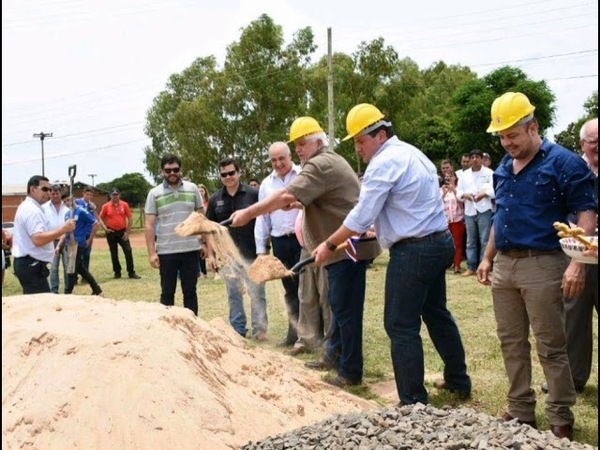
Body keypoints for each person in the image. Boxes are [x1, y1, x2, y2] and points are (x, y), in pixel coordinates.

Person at [309, 104, 471, 403]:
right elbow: (394, 207)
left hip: (414, 250)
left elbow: (361, 214)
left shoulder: (383, 163)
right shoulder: (412, 153)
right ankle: (458, 379)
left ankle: (412, 401)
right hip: (439, 241)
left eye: (361, 141)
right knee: (436, 313)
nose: (358, 149)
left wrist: (330, 244)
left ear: (380, 135)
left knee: (399, 324)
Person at [476, 92, 597, 441]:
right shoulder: (502, 166)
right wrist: (487, 257)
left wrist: (578, 262)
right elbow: (501, 216)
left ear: (533, 127)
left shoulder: (565, 162)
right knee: (510, 341)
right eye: (501, 136)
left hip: (545, 263)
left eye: (512, 134)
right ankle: (520, 409)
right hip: (505, 266)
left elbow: (586, 215)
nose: (507, 142)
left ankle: (560, 415)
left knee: (550, 344)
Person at [230, 116, 382, 388]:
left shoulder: (321, 164)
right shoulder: (326, 161)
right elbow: (325, 200)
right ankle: (334, 355)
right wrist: (301, 206)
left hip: (345, 249)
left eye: (301, 144)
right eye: (296, 145)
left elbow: (285, 195)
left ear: (319, 142)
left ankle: (350, 371)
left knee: (345, 310)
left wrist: (248, 213)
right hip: (341, 248)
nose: (298, 150)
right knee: (338, 304)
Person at [206, 158, 268, 339]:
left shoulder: (253, 194)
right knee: (234, 294)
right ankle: (238, 329)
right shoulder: (215, 199)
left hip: (252, 254)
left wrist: (265, 249)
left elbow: (265, 221)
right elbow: (210, 229)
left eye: (231, 173)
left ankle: (260, 330)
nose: (228, 177)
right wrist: (211, 255)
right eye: (224, 174)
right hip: (228, 257)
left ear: (239, 172)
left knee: (257, 294)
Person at [145, 154, 211, 316]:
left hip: (190, 249)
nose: (172, 173)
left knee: (190, 292)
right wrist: (152, 253)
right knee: (167, 293)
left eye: (175, 169)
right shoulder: (154, 194)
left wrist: (204, 243)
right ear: (162, 171)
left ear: (180, 169)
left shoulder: (192, 189)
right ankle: (170, 332)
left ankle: (193, 327)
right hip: (166, 252)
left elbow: (201, 218)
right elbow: (149, 225)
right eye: (168, 170)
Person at [562, 118, 598, 394]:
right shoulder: (572, 169)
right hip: (577, 256)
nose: (598, 148)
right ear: (582, 144)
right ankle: (574, 379)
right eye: (593, 143)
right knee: (573, 318)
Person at [255, 142, 302, 346]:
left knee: (307, 288)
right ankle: (293, 333)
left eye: (281, 158)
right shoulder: (266, 184)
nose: (278, 163)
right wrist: (261, 250)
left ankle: (310, 334)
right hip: (280, 242)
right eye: (273, 160)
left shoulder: (303, 175)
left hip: (302, 240)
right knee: (290, 289)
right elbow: (262, 217)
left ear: (290, 156)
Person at [12, 175, 76, 294]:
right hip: (31, 265)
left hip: (31, 264)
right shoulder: (32, 210)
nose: (48, 193)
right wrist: (63, 228)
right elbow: (38, 239)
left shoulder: (30, 207)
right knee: (39, 304)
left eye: (50, 189)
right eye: (45, 189)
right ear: (32, 189)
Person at [289, 208, 331, 356]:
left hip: (324, 247)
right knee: (306, 296)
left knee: (326, 296)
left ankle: (330, 343)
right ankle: (307, 340)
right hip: (306, 249)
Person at [456, 149, 495, 277]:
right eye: (472, 157)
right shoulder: (464, 175)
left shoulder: (489, 173)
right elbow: (458, 193)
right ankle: (471, 266)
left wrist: (484, 194)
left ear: (481, 158)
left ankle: (484, 266)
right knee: (470, 240)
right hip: (469, 210)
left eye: (477, 157)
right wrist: (464, 195)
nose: (474, 159)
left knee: (484, 239)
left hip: (484, 209)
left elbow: (495, 190)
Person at [59, 199, 103, 296]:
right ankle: (96, 288)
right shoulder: (67, 214)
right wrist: (59, 245)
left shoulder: (82, 211)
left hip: (78, 244)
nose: (67, 202)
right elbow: (65, 231)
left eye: (68, 200)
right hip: (69, 244)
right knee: (79, 268)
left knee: (72, 268)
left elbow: (95, 223)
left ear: (73, 199)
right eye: (65, 201)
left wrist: (90, 239)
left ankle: (67, 292)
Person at [98, 188, 141, 280]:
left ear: (119, 195)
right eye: (113, 194)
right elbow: (100, 218)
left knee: (128, 251)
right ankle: (117, 272)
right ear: (110, 196)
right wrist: (105, 228)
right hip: (111, 231)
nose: (115, 196)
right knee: (114, 253)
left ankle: (131, 272)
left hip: (122, 231)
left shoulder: (124, 205)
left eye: (116, 194)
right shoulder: (106, 206)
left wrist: (128, 232)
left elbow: (130, 218)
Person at [42, 186, 70, 293]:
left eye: (57, 193)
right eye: (53, 194)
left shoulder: (67, 208)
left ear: (60, 193)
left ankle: (68, 290)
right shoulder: (44, 208)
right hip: (51, 240)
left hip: (66, 240)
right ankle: (54, 290)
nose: (55, 196)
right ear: (50, 194)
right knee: (53, 267)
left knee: (68, 266)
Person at [440, 165, 465, 274]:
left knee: (458, 243)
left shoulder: (459, 189)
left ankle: (457, 265)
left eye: (450, 176)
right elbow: (437, 203)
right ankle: (445, 264)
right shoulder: (441, 190)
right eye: (446, 177)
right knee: (445, 243)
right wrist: (445, 192)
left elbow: (461, 200)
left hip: (457, 219)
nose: (448, 178)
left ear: (455, 178)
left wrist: (453, 189)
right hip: (445, 221)